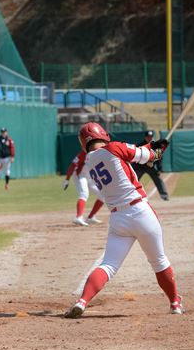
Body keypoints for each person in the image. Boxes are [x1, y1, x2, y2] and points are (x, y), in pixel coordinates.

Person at [64, 122, 182, 318]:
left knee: (108, 265)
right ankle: (175, 303)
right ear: (103, 134)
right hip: (140, 211)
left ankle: (82, 301)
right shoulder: (114, 147)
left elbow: (137, 152)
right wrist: (159, 150)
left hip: (118, 218)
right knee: (159, 261)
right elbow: (149, 157)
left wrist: (152, 147)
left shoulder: (90, 161)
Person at [62, 149, 105, 226]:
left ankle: (90, 218)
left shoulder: (101, 152)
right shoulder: (85, 152)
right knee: (84, 194)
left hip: (90, 177)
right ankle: (78, 217)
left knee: (102, 195)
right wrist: (67, 179)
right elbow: (73, 165)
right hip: (80, 175)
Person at [131, 130, 169, 201]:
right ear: (145, 137)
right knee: (133, 180)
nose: (149, 138)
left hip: (150, 167)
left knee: (158, 179)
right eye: (148, 137)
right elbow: (134, 156)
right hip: (139, 167)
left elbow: (159, 158)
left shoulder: (156, 146)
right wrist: (134, 168)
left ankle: (164, 195)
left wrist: (159, 168)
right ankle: (130, 196)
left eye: (151, 137)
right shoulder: (140, 145)